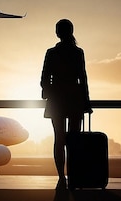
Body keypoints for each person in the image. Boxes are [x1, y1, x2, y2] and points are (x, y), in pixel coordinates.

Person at [41, 19, 92, 189]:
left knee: (59, 140)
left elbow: (44, 78)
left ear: (57, 33)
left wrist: (49, 91)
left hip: (56, 100)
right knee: (74, 140)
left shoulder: (51, 53)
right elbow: (83, 78)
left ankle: (61, 177)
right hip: (75, 99)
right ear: (71, 31)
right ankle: (74, 174)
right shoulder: (78, 53)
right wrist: (86, 101)